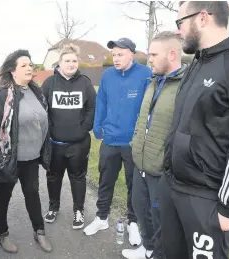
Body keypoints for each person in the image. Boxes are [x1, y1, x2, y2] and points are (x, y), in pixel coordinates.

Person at [160, 2, 229, 259]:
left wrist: (228, 206)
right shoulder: (196, 63)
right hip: (175, 186)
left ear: (203, 18)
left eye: (180, 23)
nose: (178, 32)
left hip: (207, 199)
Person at [121, 31, 187, 259]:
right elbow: (143, 118)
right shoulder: (152, 83)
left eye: (153, 54)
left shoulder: (184, 86)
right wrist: (135, 143)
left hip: (161, 170)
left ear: (171, 54)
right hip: (140, 161)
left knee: (161, 218)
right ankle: (148, 248)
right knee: (141, 209)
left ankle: (159, 254)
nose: (148, 59)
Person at [83, 37, 152, 246]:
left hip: (133, 142)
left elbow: (150, 106)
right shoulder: (107, 76)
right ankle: (102, 217)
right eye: (114, 54)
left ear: (132, 53)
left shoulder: (145, 75)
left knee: (135, 185)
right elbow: (101, 101)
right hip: (110, 140)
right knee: (105, 181)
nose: (116, 58)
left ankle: (133, 223)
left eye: (120, 54)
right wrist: (98, 126)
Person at [0, 49, 52, 254]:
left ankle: (39, 231)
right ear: (13, 71)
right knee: (3, 197)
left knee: (32, 194)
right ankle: (2, 234)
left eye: (30, 64)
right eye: (24, 65)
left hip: (31, 158)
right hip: (9, 159)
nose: (29, 68)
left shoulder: (36, 91)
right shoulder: (3, 94)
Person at [41, 43, 96, 229]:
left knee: (78, 177)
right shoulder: (49, 83)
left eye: (74, 60)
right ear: (60, 62)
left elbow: (91, 108)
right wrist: (49, 129)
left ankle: (78, 211)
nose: (71, 64)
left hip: (78, 144)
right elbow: (42, 110)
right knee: (53, 177)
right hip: (55, 143)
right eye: (67, 60)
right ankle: (53, 207)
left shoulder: (86, 83)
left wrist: (84, 128)